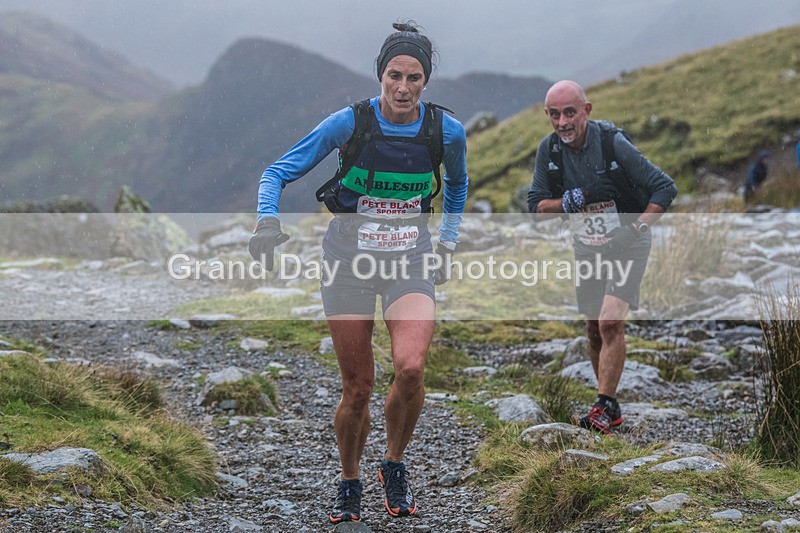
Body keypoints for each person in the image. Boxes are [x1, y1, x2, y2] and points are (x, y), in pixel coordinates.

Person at [248, 22, 468, 523]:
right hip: (347, 262)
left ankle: (393, 464)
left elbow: (457, 186)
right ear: (380, 76)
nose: (404, 88)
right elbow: (276, 171)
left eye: (415, 77)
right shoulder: (349, 123)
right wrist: (266, 222)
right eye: (395, 75)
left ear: (426, 81)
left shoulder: (444, 131)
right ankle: (350, 479)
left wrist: (448, 242)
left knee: (410, 369)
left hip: (410, 259)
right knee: (359, 386)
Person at [527, 80, 677, 434]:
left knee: (611, 322)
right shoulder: (549, 152)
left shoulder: (612, 143)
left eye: (570, 113)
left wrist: (635, 229)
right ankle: (606, 406)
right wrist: (570, 201)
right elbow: (536, 208)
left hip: (628, 243)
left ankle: (604, 404)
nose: (563, 122)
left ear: (587, 110)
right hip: (587, 247)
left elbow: (664, 187)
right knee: (593, 328)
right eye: (554, 114)